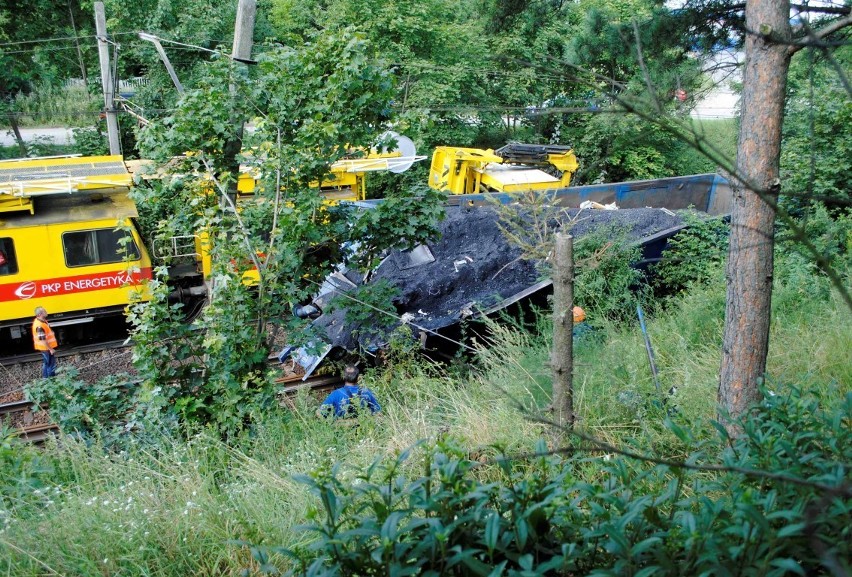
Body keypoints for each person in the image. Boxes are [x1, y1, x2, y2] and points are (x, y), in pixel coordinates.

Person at [32, 306, 58, 378]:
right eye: (44, 311)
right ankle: (51, 380)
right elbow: (43, 340)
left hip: (45, 348)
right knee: (50, 364)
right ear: (40, 314)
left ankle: (45, 378)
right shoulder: (39, 326)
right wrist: (50, 349)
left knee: (46, 363)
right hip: (45, 348)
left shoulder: (42, 321)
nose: (46, 312)